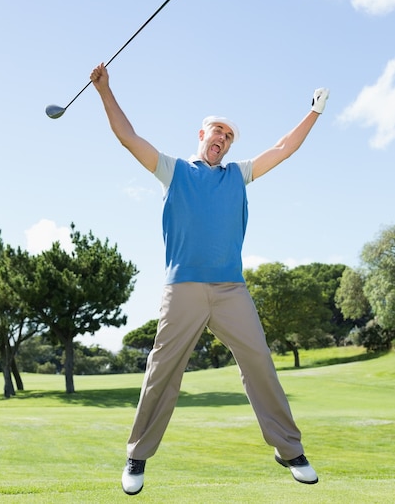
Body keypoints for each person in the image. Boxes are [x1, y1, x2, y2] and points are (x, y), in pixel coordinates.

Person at [90, 62, 329, 496]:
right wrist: (106, 91)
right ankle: (137, 456)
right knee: (162, 370)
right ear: (202, 136)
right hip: (182, 288)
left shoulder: (239, 175)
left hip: (230, 290)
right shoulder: (174, 170)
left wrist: (312, 113)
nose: (222, 138)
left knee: (259, 361)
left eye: (229, 135)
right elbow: (128, 137)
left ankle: (289, 449)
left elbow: (283, 148)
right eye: (216, 131)